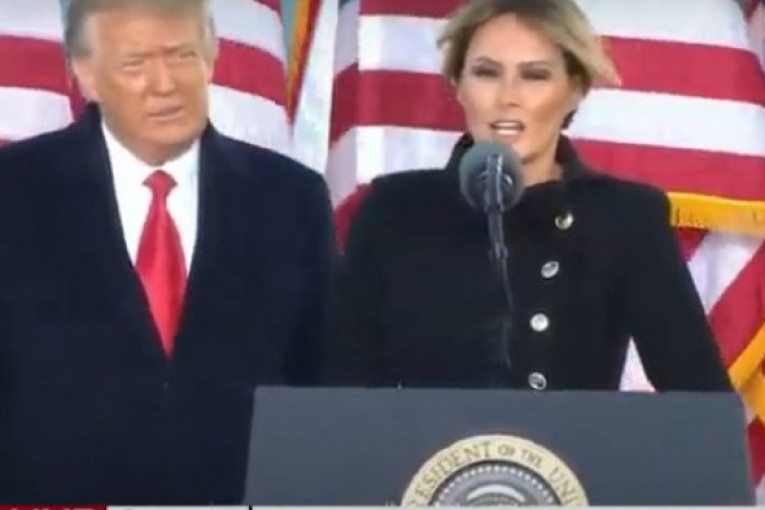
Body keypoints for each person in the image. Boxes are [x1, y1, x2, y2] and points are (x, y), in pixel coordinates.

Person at [0, 0, 334, 504]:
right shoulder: (14, 191)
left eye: (182, 56)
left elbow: (321, 376)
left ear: (212, 58)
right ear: (86, 76)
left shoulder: (290, 198)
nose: (165, 84)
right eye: (135, 63)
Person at [322, 0, 731, 392]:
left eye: (535, 75)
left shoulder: (625, 217)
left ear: (575, 89)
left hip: (572, 445)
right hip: (423, 446)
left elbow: (702, 406)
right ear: (458, 86)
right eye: (486, 73)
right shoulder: (395, 210)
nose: (508, 97)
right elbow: (339, 398)